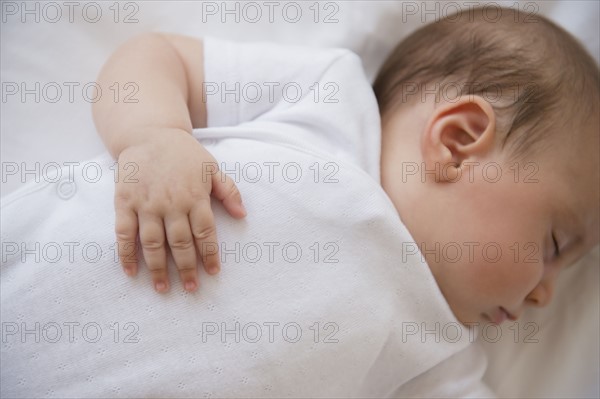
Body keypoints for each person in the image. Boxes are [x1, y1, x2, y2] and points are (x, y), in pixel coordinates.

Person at [1, 6, 597, 397]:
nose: (545, 295)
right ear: (459, 143)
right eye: (552, 246)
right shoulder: (328, 99)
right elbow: (157, 57)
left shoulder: (440, 358)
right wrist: (154, 136)